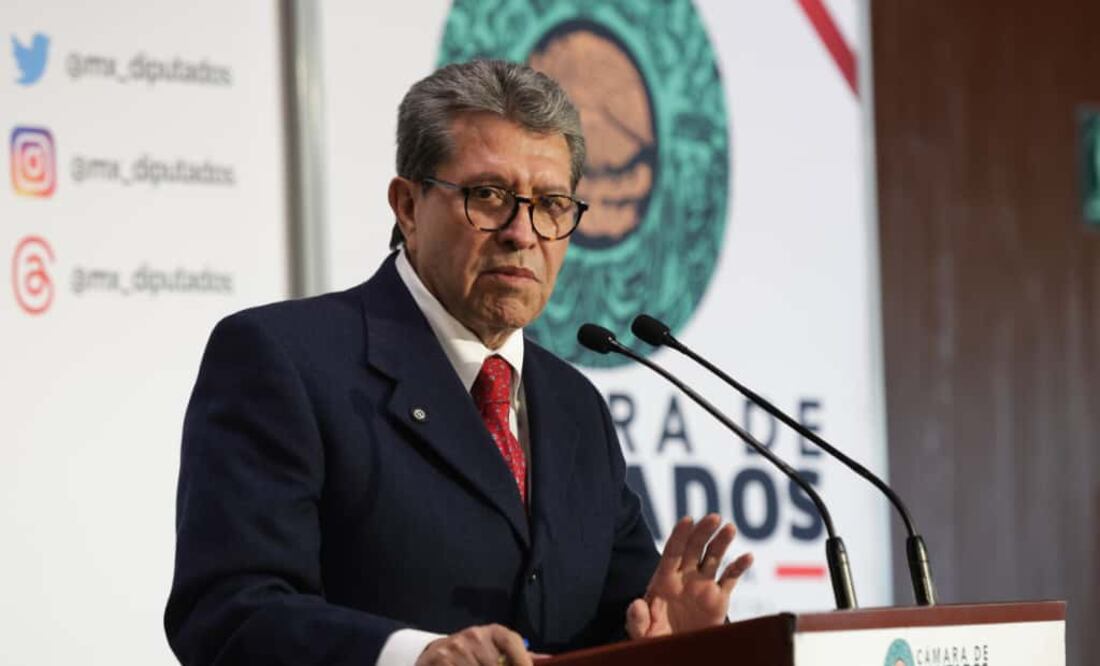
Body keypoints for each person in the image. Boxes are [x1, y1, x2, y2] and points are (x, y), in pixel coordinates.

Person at [165, 59, 752, 666]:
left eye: (551, 203)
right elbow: (229, 612)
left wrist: (668, 640)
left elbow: (618, 618)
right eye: (489, 195)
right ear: (408, 207)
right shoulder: (283, 359)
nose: (522, 233)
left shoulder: (575, 405)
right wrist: (415, 657)